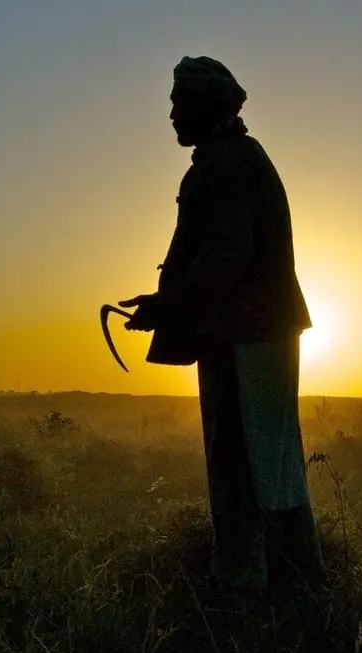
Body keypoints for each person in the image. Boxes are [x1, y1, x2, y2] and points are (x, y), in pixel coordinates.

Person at [119, 55, 326, 596]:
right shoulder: (233, 158)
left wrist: (167, 306)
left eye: (177, 102)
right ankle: (274, 587)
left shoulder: (226, 165)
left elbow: (227, 258)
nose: (169, 114)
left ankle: (268, 589)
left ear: (205, 106)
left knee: (255, 462)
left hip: (248, 335)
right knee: (258, 458)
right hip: (246, 332)